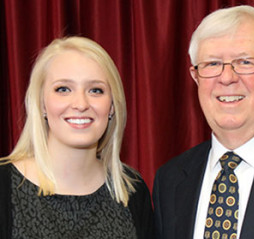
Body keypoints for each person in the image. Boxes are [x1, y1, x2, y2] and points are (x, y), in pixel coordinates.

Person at [153, 5, 254, 239]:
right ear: (195, 77)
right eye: (212, 64)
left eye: (245, 62)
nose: (227, 77)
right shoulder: (169, 181)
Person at [0, 36, 153, 239]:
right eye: (63, 89)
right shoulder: (4, 185)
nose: (81, 104)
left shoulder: (131, 189)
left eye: (96, 90)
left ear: (112, 107)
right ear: (42, 104)